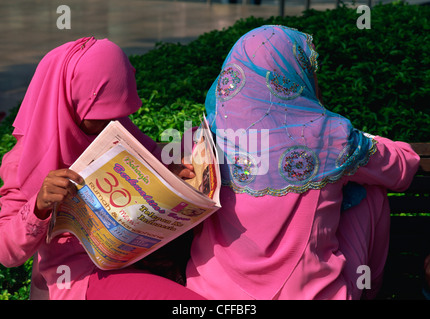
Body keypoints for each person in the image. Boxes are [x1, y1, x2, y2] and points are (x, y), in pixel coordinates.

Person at [185, 25, 420, 300]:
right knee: (370, 191)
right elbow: (401, 170)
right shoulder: (332, 136)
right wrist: (364, 139)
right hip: (311, 295)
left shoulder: (207, 137)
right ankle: (371, 292)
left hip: (208, 294)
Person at [0, 37, 202, 300]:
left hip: (131, 255)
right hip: (79, 275)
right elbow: (7, 253)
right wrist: (39, 205)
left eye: (119, 114)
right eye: (102, 115)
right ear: (72, 103)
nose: (113, 125)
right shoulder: (23, 161)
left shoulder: (113, 124)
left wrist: (183, 156)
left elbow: (149, 153)